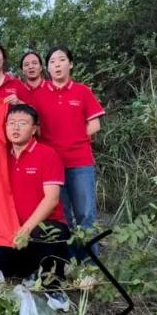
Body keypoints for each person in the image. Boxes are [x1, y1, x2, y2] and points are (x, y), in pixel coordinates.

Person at [0, 104, 70, 307]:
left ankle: (52, 285)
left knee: (47, 237)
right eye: (11, 123)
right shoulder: (0, 156)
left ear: (35, 128)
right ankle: (29, 271)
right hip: (10, 226)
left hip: (45, 224)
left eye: (22, 123)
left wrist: (25, 229)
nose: (15, 128)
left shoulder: (47, 155)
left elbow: (52, 198)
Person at [30, 46, 105, 259]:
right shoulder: (39, 95)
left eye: (61, 60)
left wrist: (77, 139)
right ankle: (70, 261)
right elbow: (32, 126)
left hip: (80, 162)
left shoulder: (82, 91)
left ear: (70, 64)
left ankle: (90, 263)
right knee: (62, 217)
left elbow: (95, 124)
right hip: (52, 166)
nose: (57, 65)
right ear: (48, 68)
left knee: (86, 214)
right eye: (52, 62)